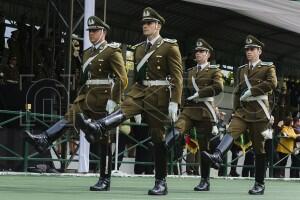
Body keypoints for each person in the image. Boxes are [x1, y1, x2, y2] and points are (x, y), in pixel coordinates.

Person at [76, 7, 183, 195]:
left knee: (158, 139)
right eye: (143, 23)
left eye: (149, 23)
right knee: (123, 109)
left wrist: (175, 101)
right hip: (140, 90)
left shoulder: (170, 47)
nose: (145, 26)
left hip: (159, 94)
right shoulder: (139, 48)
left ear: (158, 26)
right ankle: (99, 127)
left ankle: (161, 182)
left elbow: (177, 77)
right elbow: (137, 76)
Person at [25, 16, 128, 191]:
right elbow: (83, 80)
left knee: (104, 140)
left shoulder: (112, 51)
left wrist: (114, 100)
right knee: (69, 116)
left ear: (103, 32)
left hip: (103, 99)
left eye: (94, 31)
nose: (91, 34)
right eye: (89, 31)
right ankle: (44, 139)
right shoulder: (87, 53)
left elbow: (123, 79)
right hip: (86, 97)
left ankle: (104, 179)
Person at [201, 35, 277, 195]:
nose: (249, 52)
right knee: (231, 130)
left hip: (259, 111)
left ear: (259, 51)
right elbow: (236, 92)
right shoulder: (241, 69)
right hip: (242, 111)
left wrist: (252, 91)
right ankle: (217, 155)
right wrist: (234, 111)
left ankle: (259, 183)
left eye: (252, 49)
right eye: (247, 50)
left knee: (259, 149)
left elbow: (272, 83)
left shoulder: (268, 67)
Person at [165, 38, 223, 191]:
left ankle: (205, 181)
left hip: (205, 111)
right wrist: (178, 105)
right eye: (196, 52)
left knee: (204, 148)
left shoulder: (214, 71)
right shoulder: (190, 72)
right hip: (189, 110)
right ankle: (163, 147)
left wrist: (199, 93)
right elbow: (183, 91)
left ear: (208, 54)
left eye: (201, 52)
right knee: (178, 127)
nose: (198, 54)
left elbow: (218, 87)